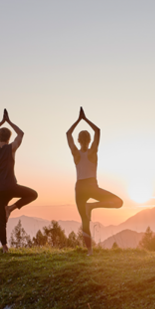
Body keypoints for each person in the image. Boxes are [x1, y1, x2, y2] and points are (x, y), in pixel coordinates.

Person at [67, 107, 123, 255]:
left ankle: (90, 251)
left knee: (84, 222)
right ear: (90, 140)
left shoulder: (76, 154)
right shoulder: (93, 152)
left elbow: (68, 134)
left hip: (79, 188)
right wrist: (85, 119)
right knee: (119, 202)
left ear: (78, 140)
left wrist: (78, 120)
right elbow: (97, 131)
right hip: (92, 186)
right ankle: (92, 206)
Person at [0, 109, 38, 252]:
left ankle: (4, 247)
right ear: (9, 138)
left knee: (0, 219)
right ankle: (11, 208)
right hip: (11, 187)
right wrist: (9, 121)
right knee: (33, 194)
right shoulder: (11, 148)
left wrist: (1, 122)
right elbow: (21, 134)